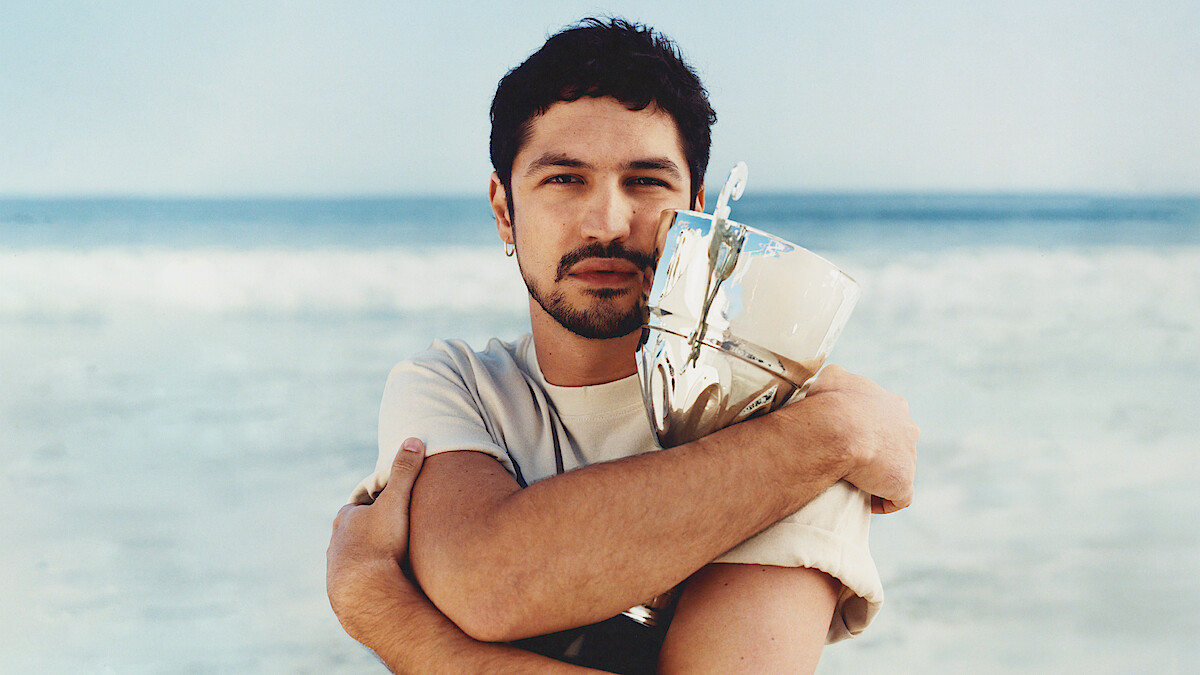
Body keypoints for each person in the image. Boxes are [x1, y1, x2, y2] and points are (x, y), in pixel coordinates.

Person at [327, 17, 918, 674]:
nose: (607, 222)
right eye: (564, 179)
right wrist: (832, 436)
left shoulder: (791, 421)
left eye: (645, 181)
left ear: (698, 213)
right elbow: (490, 580)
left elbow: (490, 593)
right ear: (503, 209)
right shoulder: (455, 386)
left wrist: (383, 611)